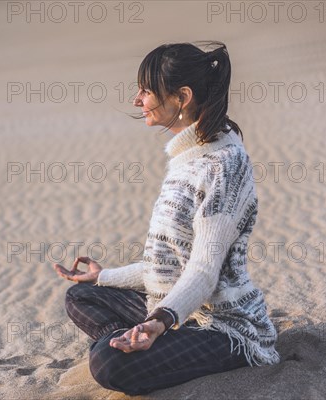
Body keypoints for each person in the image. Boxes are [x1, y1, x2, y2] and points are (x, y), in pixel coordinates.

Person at [53, 41, 280, 396]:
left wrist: (158, 322)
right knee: (82, 295)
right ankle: (138, 343)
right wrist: (104, 276)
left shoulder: (224, 165)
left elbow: (203, 270)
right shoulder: (188, 158)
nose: (136, 100)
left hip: (220, 324)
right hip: (179, 310)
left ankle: (137, 346)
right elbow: (170, 263)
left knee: (107, 363)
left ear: (182, 97)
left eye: (146, 90)